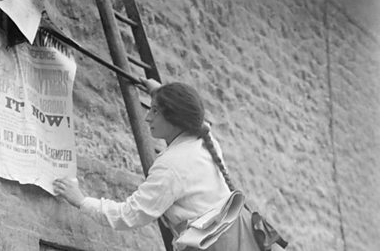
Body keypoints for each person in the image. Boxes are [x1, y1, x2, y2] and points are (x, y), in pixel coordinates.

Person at [53, 78, 258, 251]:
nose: (147, 117)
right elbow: (190, 112)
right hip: (239, 237)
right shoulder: (204, 137)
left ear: (174, 117)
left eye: (155, 111)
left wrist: (81, 200)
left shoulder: (172, 166)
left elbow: (130, 215)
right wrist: (158, 92)